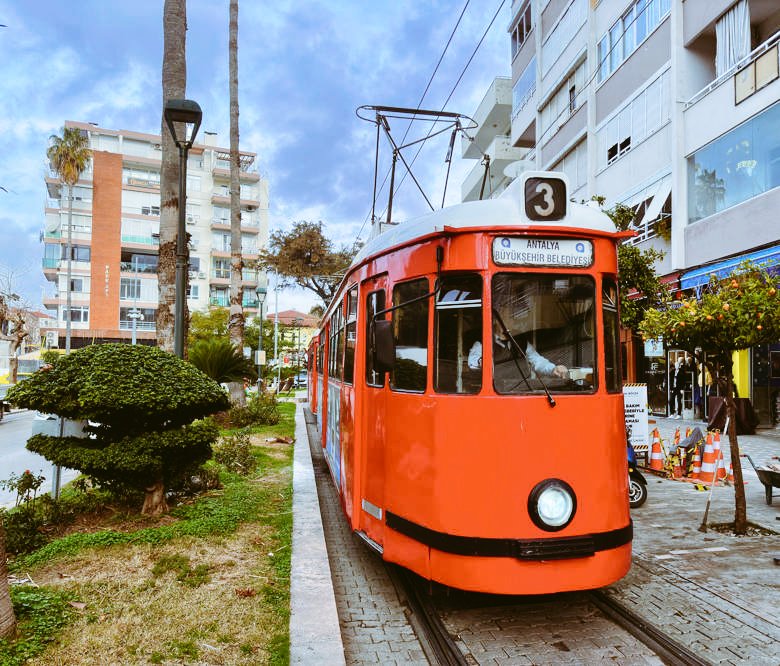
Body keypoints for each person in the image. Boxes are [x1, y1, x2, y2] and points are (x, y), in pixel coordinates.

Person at [467, 320, 568, 379]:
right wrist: (481, 362)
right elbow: (473, 362)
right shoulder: (483, 342)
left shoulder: (521, 341)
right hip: (497, 391)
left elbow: (536, 360)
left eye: (510, 319)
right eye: (503, 318)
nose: (507, 323)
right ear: (495, 321)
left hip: (520, 389)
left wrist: (553, 369)